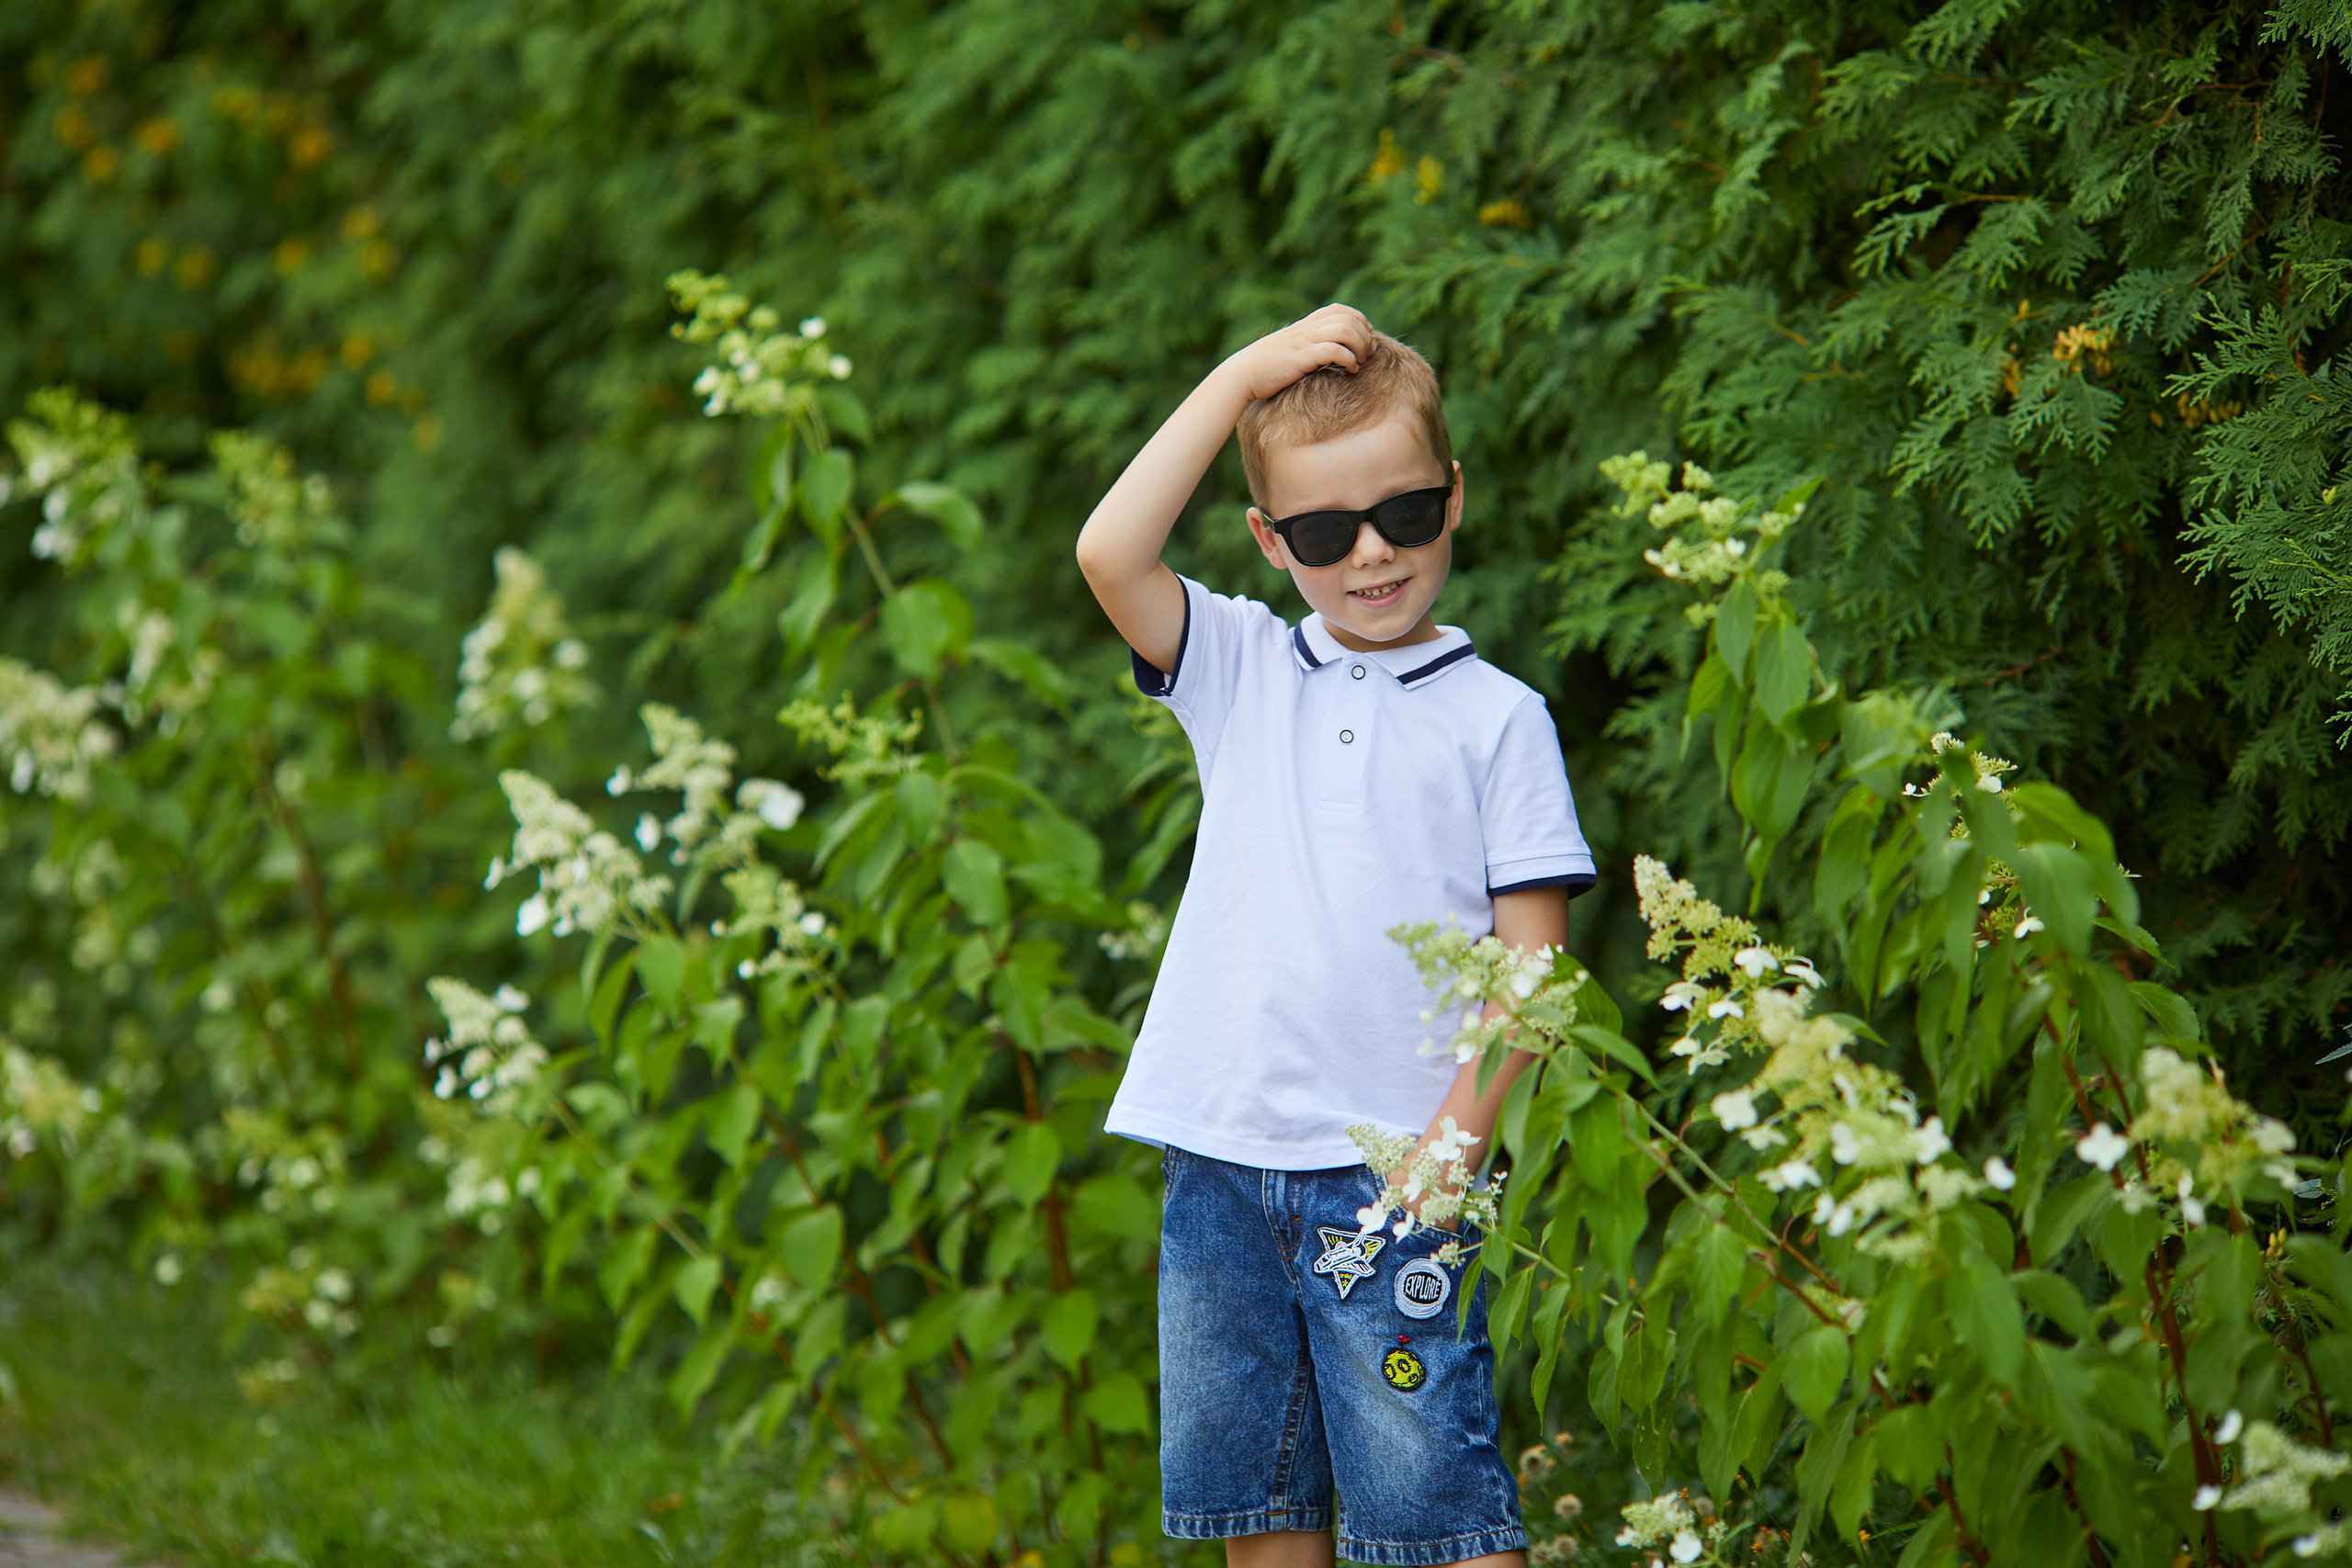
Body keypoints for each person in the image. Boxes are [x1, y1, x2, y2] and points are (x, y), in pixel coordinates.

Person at [1075, 304, 1595, 1568]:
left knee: (1440, 1513)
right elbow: (1108, 550)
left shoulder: (1500, 720)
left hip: (1394, 1181)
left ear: (1453, 496)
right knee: (1259, 1515)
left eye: (1404, 514)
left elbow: (1534, 965)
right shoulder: (1240, 666)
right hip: (1220, 1163)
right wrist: (1243, 374)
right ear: (1270, 539)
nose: (1371, 552)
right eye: (1323, 531)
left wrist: (1452, 1151)